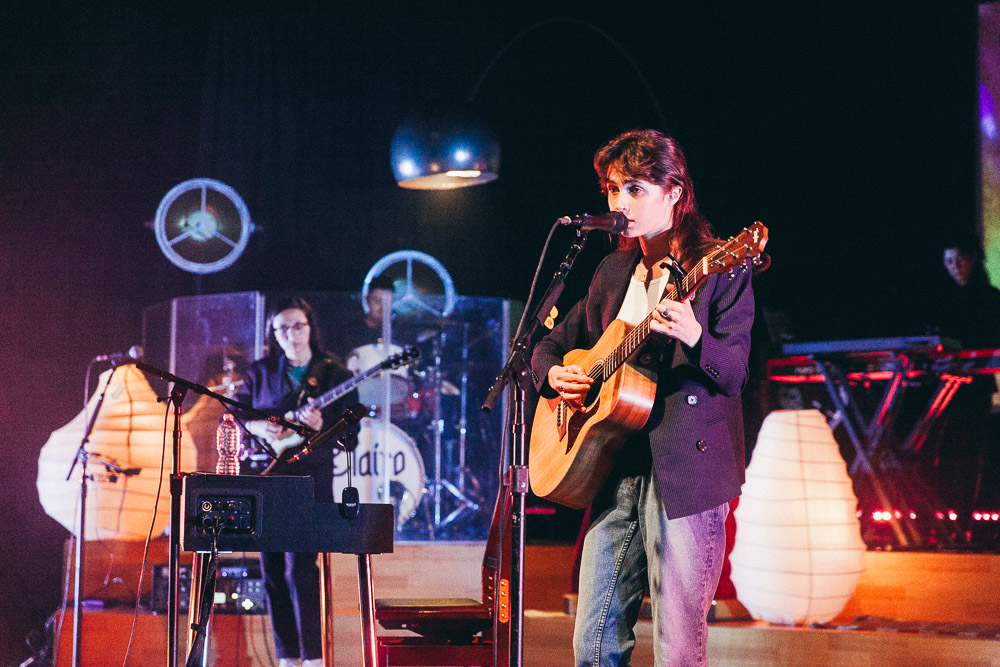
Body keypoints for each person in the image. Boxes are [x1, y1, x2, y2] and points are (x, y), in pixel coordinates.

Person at [531, 129, 754, 666]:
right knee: (592, 644)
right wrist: (556, 373)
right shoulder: (613, 272)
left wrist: (695, 337)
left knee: (676, 647)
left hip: (686, 473)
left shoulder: (724, 265)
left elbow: (735, 372)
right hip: (615, 465)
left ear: (674, 192)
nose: (618, 203)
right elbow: (548, 343)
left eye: (634, 189)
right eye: (611, 189)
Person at [233, 297, 358, 667]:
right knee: (271, 568)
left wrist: (323, 429)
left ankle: (314, 657)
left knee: (301, 568)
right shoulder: (260, 372)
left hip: (311, 477)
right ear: (274, 334)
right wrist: (261, 426)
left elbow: (350, 435)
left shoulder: (335, 373)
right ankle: (287, 657)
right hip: (267, 476)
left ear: (310, 327)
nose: (291, 334)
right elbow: (238, 413)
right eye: (283, 328)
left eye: (298, 325)